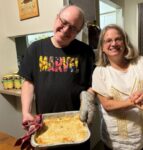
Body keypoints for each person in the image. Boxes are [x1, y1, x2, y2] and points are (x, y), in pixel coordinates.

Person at [19, 5, 96, 150]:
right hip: (45, 127)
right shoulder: (35, 49)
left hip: (77, 124)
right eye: (64, 22)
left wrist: (90, 98)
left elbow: (91, 85)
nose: (66, 30)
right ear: (56, 18)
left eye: (73, 28)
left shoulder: (86, 52)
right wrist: (25, 112)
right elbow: (28, 83)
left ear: (78, 32)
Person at [92, 24, 143, 150]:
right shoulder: (99, 72)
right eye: (108, 40)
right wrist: (135, 102)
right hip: (118, 142)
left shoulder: (141, 62)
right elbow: (107, 105)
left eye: (118, 39)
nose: (114, 43)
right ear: (102, 47)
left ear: (125, 43)